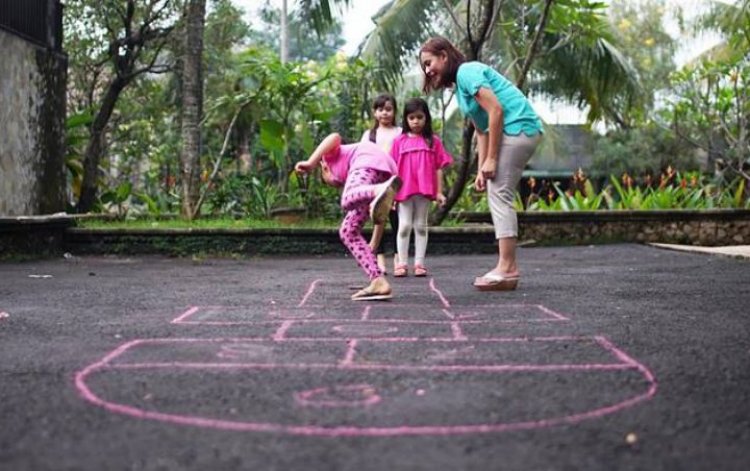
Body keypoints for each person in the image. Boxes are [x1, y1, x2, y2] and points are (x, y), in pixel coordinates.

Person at [419, 36, 543, 291]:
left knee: (500, 194)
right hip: (513, 131)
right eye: (424, 67)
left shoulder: (467, 71)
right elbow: (483, 130)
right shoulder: (461, 87)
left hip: (517, 127)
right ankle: (506, 266)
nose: (428, 70)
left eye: (429, 63)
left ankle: (507, 268)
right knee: (496, 191)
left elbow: (496, 110)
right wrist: (482, 168)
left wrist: (493, 159)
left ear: (444, 55)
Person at [294, 133, 401, 301]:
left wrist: (311, 162)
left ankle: (377, 190)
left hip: (368, 161)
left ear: (325, 170)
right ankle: (378, 280)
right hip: (383, 172)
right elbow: (380, 214)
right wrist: (373, 243)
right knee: (348, 231)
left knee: (346, 199)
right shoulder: (356, 179)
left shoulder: (329, 158)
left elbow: (335, 137)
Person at [391, 97, 453, 278]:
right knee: (404, 226)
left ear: (426, 118)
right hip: (403, 190)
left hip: (425, 191)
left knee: (420, 225)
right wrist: (390, 195)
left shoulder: (433, 142)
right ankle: (401, 263)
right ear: (406, 119)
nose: (416, 121)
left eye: (419, 117)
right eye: (411, 118)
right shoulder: (399, 142)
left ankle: (419, 263)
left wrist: (439, 191)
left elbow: (439, 168)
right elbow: (392, 170)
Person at [360, 94, 402, 274]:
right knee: (378, 219)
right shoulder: (369, 135)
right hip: (376, 182)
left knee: (397, 220)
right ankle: (379, 258)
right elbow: (363, 158)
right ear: (374, 113)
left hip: (395, 180)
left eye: (388, 109)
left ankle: (399, 257)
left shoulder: (400, 132)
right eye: (380, 109)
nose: (384, 113)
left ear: (394, 111)